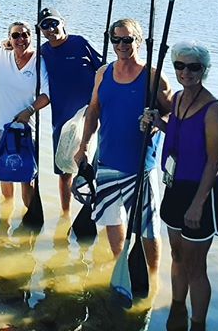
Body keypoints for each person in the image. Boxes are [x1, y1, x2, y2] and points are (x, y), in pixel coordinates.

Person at [74, 18, 173, 279]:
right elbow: (94, 110)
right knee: (111, 220)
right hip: (106, 161)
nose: (121, 45)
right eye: (115, 39)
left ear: (138, 41)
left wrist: (156, 122)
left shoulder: (153, 75)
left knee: (148, 229)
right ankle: (120, 267)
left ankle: (150, 277)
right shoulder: (103, 73)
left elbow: (176, 115)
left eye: (127, 39)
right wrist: (83, 146)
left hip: (140, 165)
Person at [142, 42, 218, 331]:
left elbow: (214, 162)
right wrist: (157, 122)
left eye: (193, 67)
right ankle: (177, 309)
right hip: (174, 185)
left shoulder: (214, 109)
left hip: (202, 193)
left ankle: (198, 323)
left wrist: (197, 204)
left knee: (195, 266)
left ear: (204, 70)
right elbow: (179, 135)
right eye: (180, 66)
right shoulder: (178, 98)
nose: (186, 72)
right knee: (177, 255)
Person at [38, 8, 102, 217]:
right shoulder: (43, 51)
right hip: (62, 122)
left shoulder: (80, 42)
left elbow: (104, 70)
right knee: (64, 171)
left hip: (90, 116)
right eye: (45, 26)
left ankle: (92, 209)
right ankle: (65, 215)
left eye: (53, 23)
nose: (50, 29)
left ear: (63, 22)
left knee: (91, 166)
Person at [0, 21, 50, 208]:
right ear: (9, 38)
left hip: (26, 129)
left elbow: (47, 95)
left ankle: (29, 214)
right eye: (16, 35)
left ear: (31, 37)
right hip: (3, 127)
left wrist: (29, 111)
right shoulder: (0, 54)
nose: (21, 39)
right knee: (5, 173)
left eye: (25, 35)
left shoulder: (38, 61)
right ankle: (6, 215)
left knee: (27, 177)